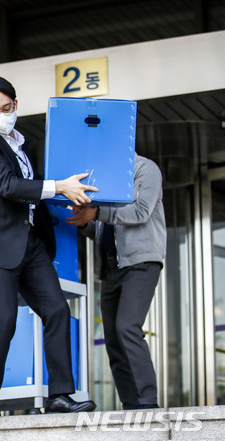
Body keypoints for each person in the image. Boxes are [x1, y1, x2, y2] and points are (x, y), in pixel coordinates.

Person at [0, 76, 98, 417]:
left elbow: (30, 191)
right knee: (3, 320)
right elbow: (8, 186)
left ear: (16, 104)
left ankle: (60, 396)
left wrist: (65, 196)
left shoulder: (20, 145)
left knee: (57, 310)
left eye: (8, 108)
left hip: (31, 243)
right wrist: (59, 186)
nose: (3, 115)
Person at [66, 153, 166, 410]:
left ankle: (147, 402)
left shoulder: (145, 169)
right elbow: (101, 226)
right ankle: (130, 404)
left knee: (127, 327)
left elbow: (141, 212)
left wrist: (97, 212)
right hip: (111, 266)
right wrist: (82, 219)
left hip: (141, 262)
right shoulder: (104, 176)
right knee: (113, 338)